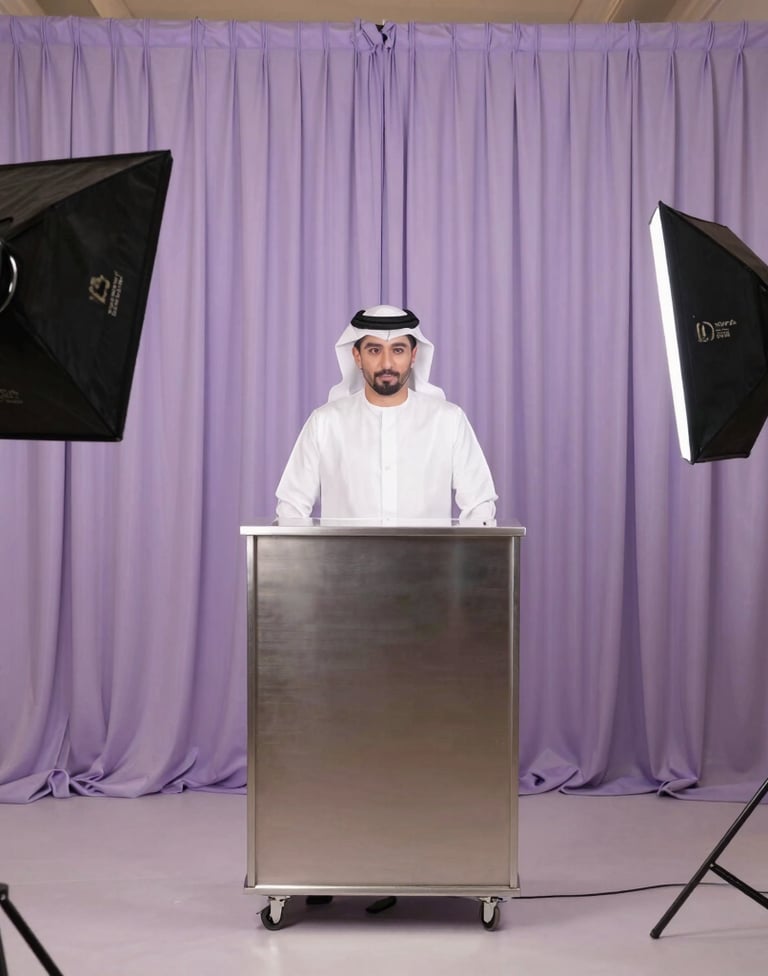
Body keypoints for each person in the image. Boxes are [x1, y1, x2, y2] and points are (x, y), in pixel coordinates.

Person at [276, 304, 497, 523]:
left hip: (429, 559)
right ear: (357, 356)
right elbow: (291, 508)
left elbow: (480, 506)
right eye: (374, 350)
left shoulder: (449, 421)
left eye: (398, 350)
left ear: (413, 356)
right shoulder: (325, 423)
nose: (387, 363)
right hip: (344, 559)